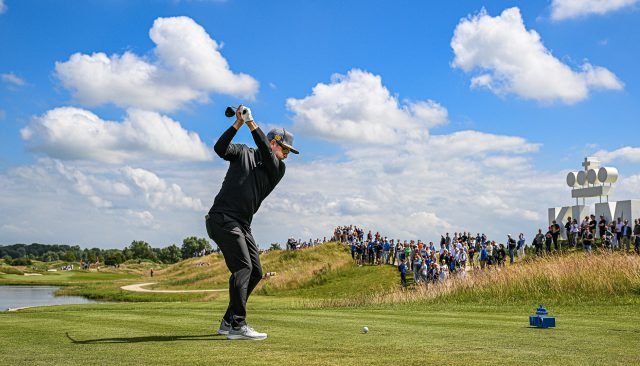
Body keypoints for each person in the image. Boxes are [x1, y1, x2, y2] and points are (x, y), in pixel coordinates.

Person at [205, 105, 298, 341]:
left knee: (255, 272)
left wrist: (251, 123)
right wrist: (238, 123)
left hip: (242, 224)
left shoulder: (278, 168)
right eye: (285, 149)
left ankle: (228, 321)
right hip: (222, 218)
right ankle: (238, 324)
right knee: (243, 267)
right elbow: (220, 148)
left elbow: (266, 154)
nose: (286, 155)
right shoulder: (242, 152)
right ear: (274, 143)